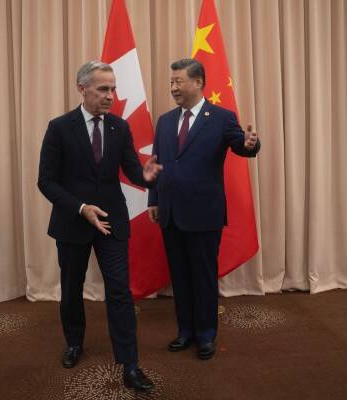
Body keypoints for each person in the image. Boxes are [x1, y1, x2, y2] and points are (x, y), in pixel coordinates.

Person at [38, 60, 161, 392]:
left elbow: (132, 171)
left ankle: (130, 365)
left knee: (119, 291)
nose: (111, 96)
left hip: (111, 222)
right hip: (73, 222)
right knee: (72, 288)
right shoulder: (59, 128)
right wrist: (81, 208)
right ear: (83, 89)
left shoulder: (119, 127)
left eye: (113, 89)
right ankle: (74, 342)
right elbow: (46, 181)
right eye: (103, 89)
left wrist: (146, 176)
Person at [147, 58, 260, 360]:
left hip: (203, 213)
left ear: (198, 83)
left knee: (203, 276)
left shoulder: (221, 117)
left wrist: (251, 144)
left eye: (179, 81)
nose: (173, 87)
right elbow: (156, 163)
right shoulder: (165, 121)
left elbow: (241, 145)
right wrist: (154, 199)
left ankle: (206, 334)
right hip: (170, 212)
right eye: (171, 82)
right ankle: (185, 331)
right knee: (180, 276)